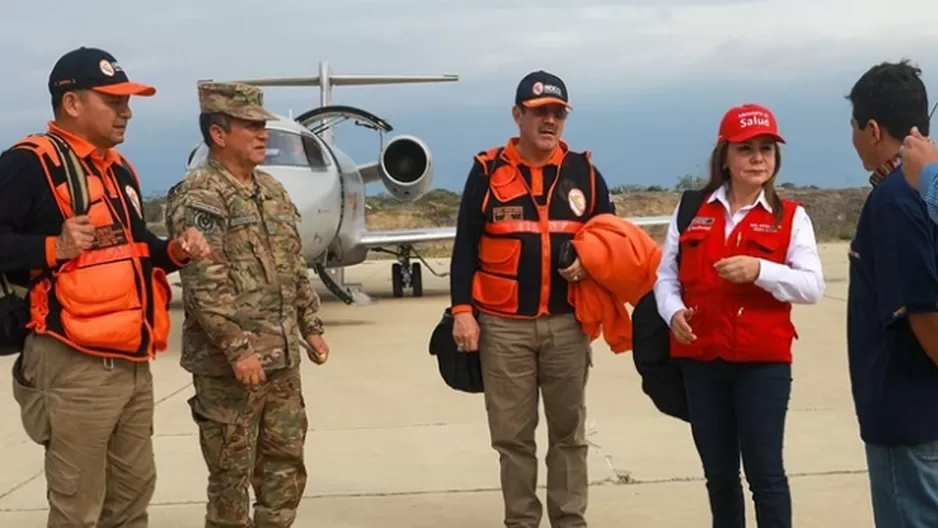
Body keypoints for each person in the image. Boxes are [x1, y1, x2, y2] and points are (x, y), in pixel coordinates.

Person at [0, 46, 210, 526]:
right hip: (72, 365)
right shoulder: (27, 165)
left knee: (132, 500)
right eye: (113, 101)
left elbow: (138, 248)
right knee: (78, 508)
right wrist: (53, 247)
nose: (127, 112)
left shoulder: (119, 170)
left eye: (127, 101)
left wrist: (174, 251)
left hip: (132, 365)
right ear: (72, 103)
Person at [449, 70, 615, 528]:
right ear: (517, 115)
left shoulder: (585, 173)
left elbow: (612, 239)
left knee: (569, 435)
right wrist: (462, 311)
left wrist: (589, 261)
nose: (550, 122)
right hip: (503, 328)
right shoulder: (486, 172)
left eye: (558, 113)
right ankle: (521, 521)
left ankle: (569, 520)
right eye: (540, 113)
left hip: (567, 324)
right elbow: (464, 247)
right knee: (513, 438)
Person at [164, 80, 330, 528]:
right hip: (229, 369)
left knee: (285, 467)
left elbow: (292, 264)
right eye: (251, 126)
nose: (264, 135)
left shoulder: (271, 191)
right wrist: (238, 349)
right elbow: (204, 283)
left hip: (281, 361)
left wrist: (310, 324)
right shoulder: (200, 194)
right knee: (230, 477)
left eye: (264, 126)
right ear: (219, 134)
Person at [652, 103, 825, 528]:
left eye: (766, 148)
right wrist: (673, 312)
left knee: (765, 475)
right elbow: (664, 277)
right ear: (724, 156)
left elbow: (813, 286)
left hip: (762, 364)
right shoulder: (692, 209)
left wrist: (761, 269)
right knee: (719, 476)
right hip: (701, 361)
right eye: (745, 149)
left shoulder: (792, 217)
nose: (757, 158)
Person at [845, 60, 938, 528]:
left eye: (855, 127)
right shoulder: (923, 189)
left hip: (908, 420)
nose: (854, 138)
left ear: (873, 128)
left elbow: (923, 310)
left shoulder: (895, 199)